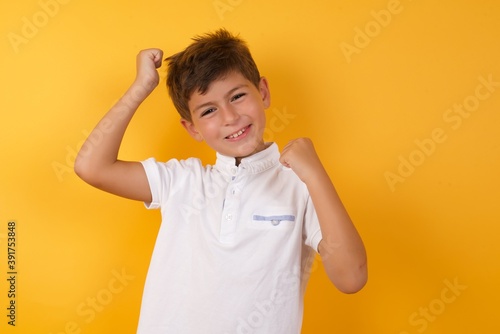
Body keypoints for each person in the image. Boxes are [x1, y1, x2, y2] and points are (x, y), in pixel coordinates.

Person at [74, 28, 367, 334]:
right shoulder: (182, 182)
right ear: (193, 128)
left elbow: (351, 278)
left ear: (263, 92)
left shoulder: (301, 185)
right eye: (209, 110)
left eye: (237, 96)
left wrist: (315, 174)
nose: (229, 117)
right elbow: (92, 167)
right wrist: (141, 87)